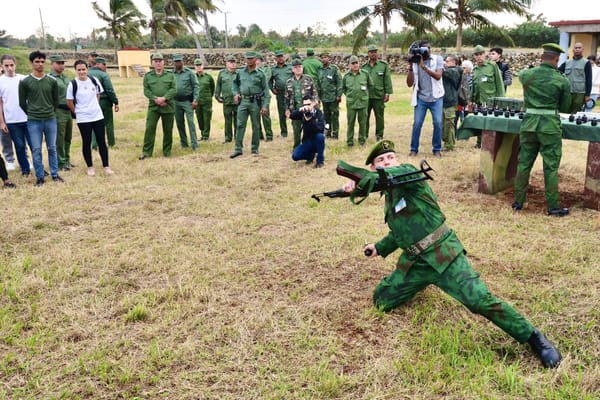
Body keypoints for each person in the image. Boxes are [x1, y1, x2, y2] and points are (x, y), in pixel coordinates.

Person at [340, 139, 562, 369]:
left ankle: (534, 337)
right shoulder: (390, 195)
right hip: (416, 262)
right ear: (373, 169)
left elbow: (390, 176)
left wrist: (355, 180)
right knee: (382, 300)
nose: (387, 162)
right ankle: (421, 283)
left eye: (390, 157)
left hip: (443, 255)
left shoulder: (409, 177)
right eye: (380, 161)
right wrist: (379, 247)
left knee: (480, 301)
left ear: (398, 161)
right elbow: (403, 229)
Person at [512, 44, 572, 217]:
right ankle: (553, 206)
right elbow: (565, 107)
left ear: (541, 57)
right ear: (556, 59)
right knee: (550, 167)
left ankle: (518, 202)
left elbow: (522, 77)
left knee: (523, 164)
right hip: (549, 127)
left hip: (529, 124)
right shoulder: (561, 80)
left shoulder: (526, 75)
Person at [18, 50, 63, 186]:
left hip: (50, 119)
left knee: (52, 148)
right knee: (36, 149)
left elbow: (55, 101)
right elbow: (22, 102)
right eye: (37, 62)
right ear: (31, 63)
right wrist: (32, 113)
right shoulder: (25, 82)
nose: (40, 64)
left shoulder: (52, 81)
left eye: (42, 62)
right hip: (33, 121)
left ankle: (55, 174)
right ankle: (40, 177)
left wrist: (49, 111)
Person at [66, 60, 114, 176]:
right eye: (79, 69)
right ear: (76, 70)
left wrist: (95, 105)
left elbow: (98, 93)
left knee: (101, 141)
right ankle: (90, 167)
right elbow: (69, 101)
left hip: (97, 116)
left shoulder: (94, 80)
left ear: (87, 69)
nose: (82, 72)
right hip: (83, 118)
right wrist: (77, 112)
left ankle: (106, 166)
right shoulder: (73, 84)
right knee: (86, 142)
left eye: (83, 69)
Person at [406, 40, 444, 157]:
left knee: (438, 123)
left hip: (436, 97)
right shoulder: (415, 61)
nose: (426, 51)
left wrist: (424, 67)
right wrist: (411, 66)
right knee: (417, 123)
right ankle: (413, 149)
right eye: (423, 49)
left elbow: (438, 76)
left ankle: (436, 149)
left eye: (428, 49)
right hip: (421, 98)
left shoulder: (437, 59)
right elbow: (409, 83)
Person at [230, 51, 270, 158]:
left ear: (255, 59)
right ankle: (238, 149)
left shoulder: (260, 74)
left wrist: (265, 105)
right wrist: (236, 93)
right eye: (247, 59)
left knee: (256, 126)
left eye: (251, 59)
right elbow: (234, 84)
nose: (249, 61)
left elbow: (266, 92)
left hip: (255, 102)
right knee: (239, 125)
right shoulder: (240, 72)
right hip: (243, 101)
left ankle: (254, 148)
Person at [139, 53, 176, 160]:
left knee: (168, 130)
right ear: (152, 63)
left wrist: (164, 98)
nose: (158, 63)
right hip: (154, 107)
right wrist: (155, 99)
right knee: (150, 128)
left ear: (163, 62)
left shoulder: (170, 75)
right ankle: (146, 152)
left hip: (168, 106)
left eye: (160, 61)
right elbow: (146, 90)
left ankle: (167, 151)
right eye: (156, 61)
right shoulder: (148, 76)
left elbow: (173, 89)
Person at [0, 54, 31, 176]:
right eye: (6, 65)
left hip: (28, 118)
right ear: (2, 66)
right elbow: (0, 104)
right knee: (19, 146)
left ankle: (36, 165)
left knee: (34, 145)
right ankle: (25, 169)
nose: (10, 68)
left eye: (11, 65)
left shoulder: (24, 79)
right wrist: (2, 122)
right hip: (12, 120)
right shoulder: (1, 81)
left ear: (15, 65)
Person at [470, 44, 505, 148]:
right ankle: (479, 142)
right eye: (476, 55)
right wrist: (470, 100)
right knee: (480, 122)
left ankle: (492, 143)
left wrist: (501, 100)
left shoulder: (492, 66)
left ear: (485, 54)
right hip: (479, 101)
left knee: (491, 123)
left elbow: (499, 83)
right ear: (474, 56)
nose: (479, 56)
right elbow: (474, 87)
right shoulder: (475, 69)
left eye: (480, 54)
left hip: (491, 100)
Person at [285, 59, 319, 149]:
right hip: (295, 109)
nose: (298, 69)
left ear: (302, 68)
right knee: (296, 130)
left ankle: (308, 149)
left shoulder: (308, 79)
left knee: (308, 130)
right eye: (296, 67)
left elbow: (315, 93)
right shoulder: (289, 82)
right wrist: (287, 110)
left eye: (299, 67)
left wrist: (313, 105)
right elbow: (287, 97)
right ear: (292, 69)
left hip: (307, 109)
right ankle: (296, 147)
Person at [49, 55, 74, 172]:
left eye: (62, 63)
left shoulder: (66, 78)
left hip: (68, 110)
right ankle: (61, 162)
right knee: (59, 137)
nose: (61, 65)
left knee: (68, 136)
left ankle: (67, 159)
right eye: (58, 63)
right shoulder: (50, 78)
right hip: (58, 110)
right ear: (52, 64)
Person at [363, 45, 393, 141]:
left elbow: (387, 80)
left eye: (375, 51)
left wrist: (388, 93)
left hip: (379, 95)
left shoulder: (383, 65)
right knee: (365, 116)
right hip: (366, 96)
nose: (373, 53)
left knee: (379, 117)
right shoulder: (364, 67)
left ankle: (379, 135)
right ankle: (364, 134)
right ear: (368, 54)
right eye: (371, 52)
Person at [88, 57, 119, 148]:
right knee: (108, 123)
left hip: (91, 102)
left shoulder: (87, 73)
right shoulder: (103, 75)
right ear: (97, 64)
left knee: (94, 123)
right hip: (104, 102)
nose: (106, 66)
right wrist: (115, 101)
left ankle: (94, 144)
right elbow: (109, 90)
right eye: (104, 64)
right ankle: (111, 143)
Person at [342, 55, 372, 147]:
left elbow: (370, 85)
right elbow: (343, 89)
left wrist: (365, 95)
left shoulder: (365, 74)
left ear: (359, 64)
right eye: (353, 63)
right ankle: (350, 141)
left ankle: (362, 140)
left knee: (363, 123)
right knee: (350, 123)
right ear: (349, 65)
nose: (355, 65)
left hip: (363, 103)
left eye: (357, 63)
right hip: (351, 103)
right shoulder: (346, 76)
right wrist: (350, 96)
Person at [172, 54, 199, 150]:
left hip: (187, 101)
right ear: (174, 62)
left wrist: (195, 100)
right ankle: (184, 143)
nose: (178, 63)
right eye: (176, 61)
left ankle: (194, 144)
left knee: (191, 123)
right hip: (176, 102)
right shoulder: (171, 73)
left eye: (179, 61)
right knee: (179, 123)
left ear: (182, 61)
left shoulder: (189, 73)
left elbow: (196, 86)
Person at [289, 95, 325, 168]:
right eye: (304, 105)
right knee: (295, 156)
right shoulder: (303, 113)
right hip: (307, 141)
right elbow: (292, 116)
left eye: (308, 104)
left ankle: (320, 161)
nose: (307, 106)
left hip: (316, 140)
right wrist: (300, 109)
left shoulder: (319, 113)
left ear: (313, 103)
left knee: (321, 137)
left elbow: (319, 129)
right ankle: (310, 156)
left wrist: (311, 120)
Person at [558, 42, 592, 114]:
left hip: (579, 93)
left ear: (582, 49)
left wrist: (587, 95)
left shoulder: (586, 63)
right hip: (567, 92)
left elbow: (589, 79)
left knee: (576, 112)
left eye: (579, 48)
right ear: (572, 50)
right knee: (564, 111)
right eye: (576, 48)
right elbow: (558, 72)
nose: (577, 49)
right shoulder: (567, 62)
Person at [317, 50, 342, 140]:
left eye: (326, 57)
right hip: (324, 98)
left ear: (329, 58)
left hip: (333, 98)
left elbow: (339, 82)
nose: (324, 59)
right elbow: (319, 85)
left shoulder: (334, 69)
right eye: (322, 58)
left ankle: (335, 134)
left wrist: (339, 95)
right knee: (326, 117)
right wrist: (318, 97)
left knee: (334, 116)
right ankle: (327, 133)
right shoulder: (319, 70)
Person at [214, 55, 238, 144]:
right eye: (230, 62)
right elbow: (218, 85)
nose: (233, 64)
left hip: (237, 101)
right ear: (226, 63)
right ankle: (228, 138)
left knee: (237, 120)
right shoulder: (222, 73)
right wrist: (217, 96)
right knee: (227, 120)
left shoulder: (238, 73)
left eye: (234, 62)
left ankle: (237, 137)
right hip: (226, 100)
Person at [269, 51, 293, 138]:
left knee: (293, 110)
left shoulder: (290, 67)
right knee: (281, 112)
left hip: (291, 93)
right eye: (278, 57)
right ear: (276, 59)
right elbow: (270, 81)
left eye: (281, 56)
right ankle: (284, 132)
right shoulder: (273, 69)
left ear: (284, 57)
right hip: (280, 93)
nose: (280, 58)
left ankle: (296, 129)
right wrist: (272, 89)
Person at [441, 55, 462, 151]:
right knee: (442, 124)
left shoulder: (456, 70)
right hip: (443, 100)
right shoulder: (447, 70)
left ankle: (450, 145)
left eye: (447, 61)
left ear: (454, 62)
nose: (445, 62)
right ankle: (447, 142)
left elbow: (447, 73)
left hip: (451, 101)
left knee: (449, 124)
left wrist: (440, 67)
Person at [194, 58, 215, 142]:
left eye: (200, 65)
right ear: (194, 67)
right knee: (200, 118)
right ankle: (202, 133)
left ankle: (206, 136)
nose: (199, 67)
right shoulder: (193, 77)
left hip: (206, 101)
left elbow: (212, 87)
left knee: (207, 118)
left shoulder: (208, 77)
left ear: (203, 66)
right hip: (197, 102)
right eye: (197, 65)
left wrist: (209, 96)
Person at [255, 54, 274, 141]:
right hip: (254, 96)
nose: (257, 62)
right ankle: (259, 135)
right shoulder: (251, 70)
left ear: (262, 62)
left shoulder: (267, 69)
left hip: (264, 96)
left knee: (265, 116)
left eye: (258, 60)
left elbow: (264, 80)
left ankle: (269, 135)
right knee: (255, 117)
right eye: (255, 60)